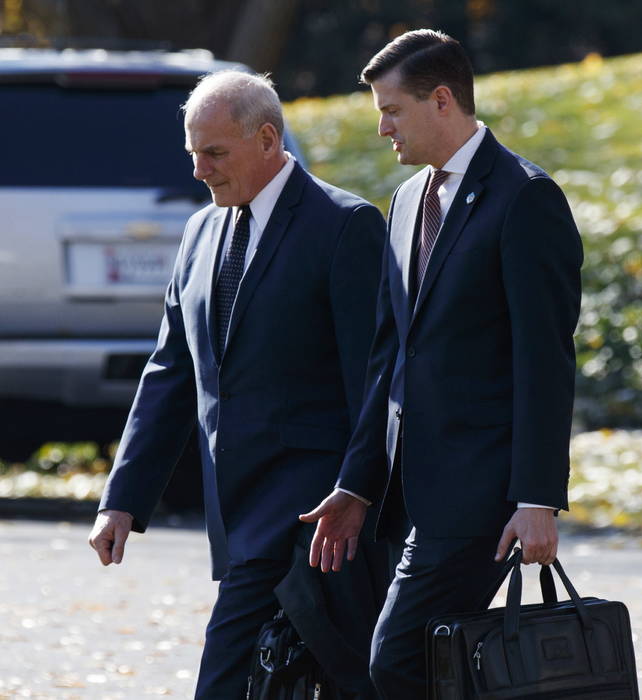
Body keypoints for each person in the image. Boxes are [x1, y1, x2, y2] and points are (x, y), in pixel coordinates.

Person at [298, 29, 583, 697]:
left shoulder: (525, 198)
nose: (381, 128)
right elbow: (387, 361)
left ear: (443, 101)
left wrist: (538, 498)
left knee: (397, 663)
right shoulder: (402, 206)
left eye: (391, 109)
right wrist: (357, 484)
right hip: (406, 495)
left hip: (482, 494)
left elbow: (546, 361)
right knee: (435, 666)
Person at [87, 71, 388, 698]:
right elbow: (172, 371)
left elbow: (376, 378)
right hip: (238, 516)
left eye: (215, 153)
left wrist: (358, 490)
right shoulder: (200, 232)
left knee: (231, 681)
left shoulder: (344, 224)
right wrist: (124, 497)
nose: (200, 170)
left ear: (269, 138)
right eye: (193, 153)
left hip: (318, 521)